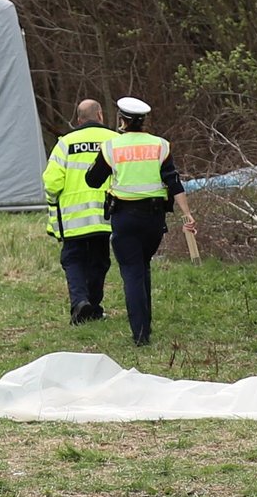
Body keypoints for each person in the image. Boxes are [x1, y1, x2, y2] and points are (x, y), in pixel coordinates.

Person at [85, 95, 196, 346]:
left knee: (132, 271)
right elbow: (174, 182)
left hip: (124, 217)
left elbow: (92, 180)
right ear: (143, 121)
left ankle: (140, 334)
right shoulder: (160, 145)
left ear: (122, 121)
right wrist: (187, 214)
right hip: (153, 219)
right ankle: (145, 324)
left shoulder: (112, 146)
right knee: (143, 265)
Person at [42, 99, 116, 324]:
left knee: (73, 260)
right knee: (99, 261)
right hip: (106, 216)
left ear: (78, 120)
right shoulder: (116, 141)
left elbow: (52, 183)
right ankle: (92, 306)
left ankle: (80, 303)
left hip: (73, 219)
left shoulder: (65, 143)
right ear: (101, 115)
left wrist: (53, 202)